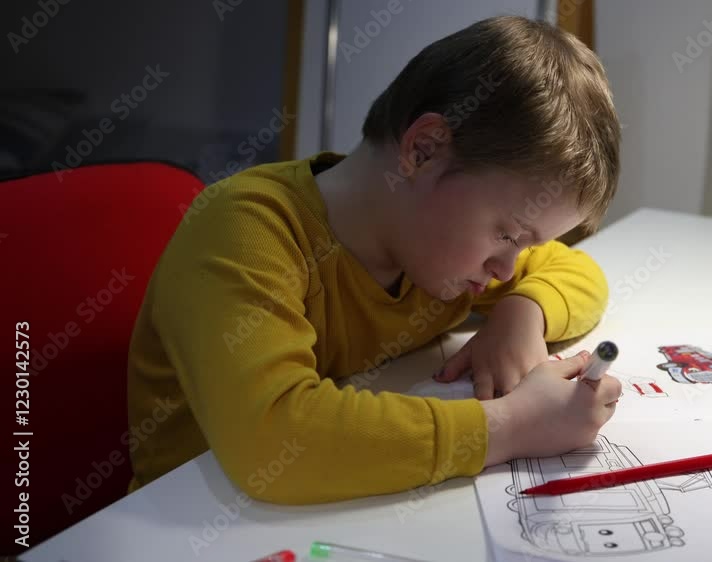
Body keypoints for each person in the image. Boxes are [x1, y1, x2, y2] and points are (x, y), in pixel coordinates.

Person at [126, 15, 622, 504]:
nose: (506, 270)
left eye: (527, 246)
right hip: (195, 523)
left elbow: (580, 272)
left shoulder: (432, 245)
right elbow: (273, 438)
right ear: (423, 151)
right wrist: (514, 426)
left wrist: (522, 313)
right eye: (509, 233)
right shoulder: (247, 230)